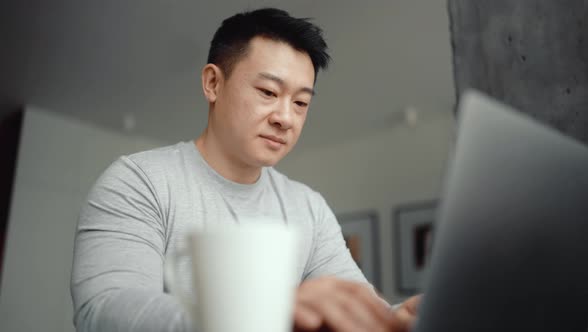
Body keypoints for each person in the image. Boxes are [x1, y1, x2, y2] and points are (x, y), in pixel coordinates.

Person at [70, 7, 420, 332]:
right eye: (268, 91)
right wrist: (259, 311)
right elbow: (104, 309)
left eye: (300, 103)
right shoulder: (139, 182)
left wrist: (401, 318)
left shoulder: (308, 208)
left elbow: (355, 307)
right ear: (213, 84)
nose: (286, 118)